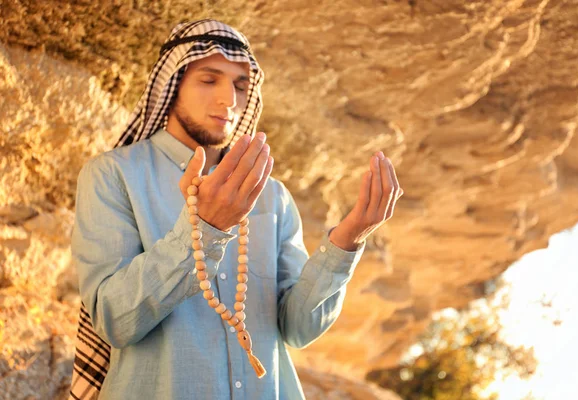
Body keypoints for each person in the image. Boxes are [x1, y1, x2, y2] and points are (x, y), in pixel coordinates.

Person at [69, 19, 402, 400]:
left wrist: (348, 239)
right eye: (209, 80)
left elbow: (297, 328)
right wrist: (205, 228)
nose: (229, 99)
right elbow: (115, 319)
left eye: (241, 86)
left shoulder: (271, 195)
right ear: (171, 84)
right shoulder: (114, 175)